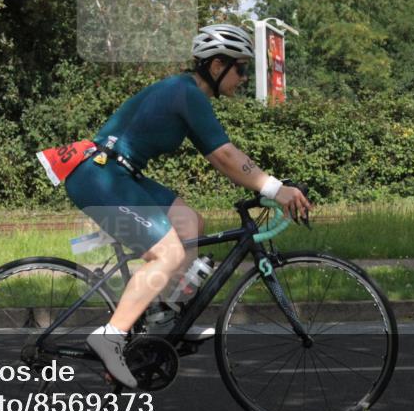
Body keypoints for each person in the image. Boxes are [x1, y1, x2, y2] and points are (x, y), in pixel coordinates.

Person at [50, 24, 311, 388]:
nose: (242, 78)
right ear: (217, 65)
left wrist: (270, 186)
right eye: (240, 68)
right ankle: (110, 335)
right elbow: (225, 156)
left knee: (189, 222)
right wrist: (275, 188)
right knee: (169, 253)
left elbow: (222, 157)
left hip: (118, 173)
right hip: (100, 175)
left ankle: (162, 319)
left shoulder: (186, 92)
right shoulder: (186, 94)